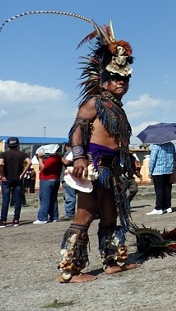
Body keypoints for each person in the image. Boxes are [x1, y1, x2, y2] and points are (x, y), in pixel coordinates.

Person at [56, 14, 139, 283]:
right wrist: (79, 157)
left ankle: (113, 262)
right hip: (93, 166)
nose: (121, 83)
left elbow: (119, 139)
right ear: (104, 82)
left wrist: (130, 158)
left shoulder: (118, 109)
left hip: (113, 168)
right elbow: (77, 129)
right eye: (115, 78)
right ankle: (69, 271)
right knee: (85, 214)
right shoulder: (94, 102)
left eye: (124, 79)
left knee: (110, 214)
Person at [0, 136, 29, 228]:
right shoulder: (22, 154)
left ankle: (3, 220)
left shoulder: (3, 154)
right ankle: (16, 219)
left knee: (5, 200)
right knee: (17, 199)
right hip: (18, 179)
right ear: (17, 144)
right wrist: (23, 174)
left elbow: (0, 164)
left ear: (8, 145)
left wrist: (2, 175)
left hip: (6, 179)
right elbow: (29, 162)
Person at [34, 144, 63, 224]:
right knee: (53, 199)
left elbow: (43, 167)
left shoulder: (51, 159)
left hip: (46, 180)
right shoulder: (58, 158)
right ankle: (54, 216)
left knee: (45, 199)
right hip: (55, 179)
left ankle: (42, 217)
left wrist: (40, 158)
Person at [146, 141, 176, 215]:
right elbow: (174, 157)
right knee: (167, 189)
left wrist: (150, 171)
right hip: (169, 170)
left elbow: (152, 159)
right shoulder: (171, 145)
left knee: (159, 189)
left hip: (158, 171)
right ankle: (168, 207)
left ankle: (158, 208)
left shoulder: (156, 145)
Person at [59, 144, 77, 221]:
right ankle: (69, 213)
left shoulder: (72, 152)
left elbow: (67, 162)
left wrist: (60, 157)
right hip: (68, 177)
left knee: (70, 196)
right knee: (68, 196)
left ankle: (70, 214)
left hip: (69, 177)